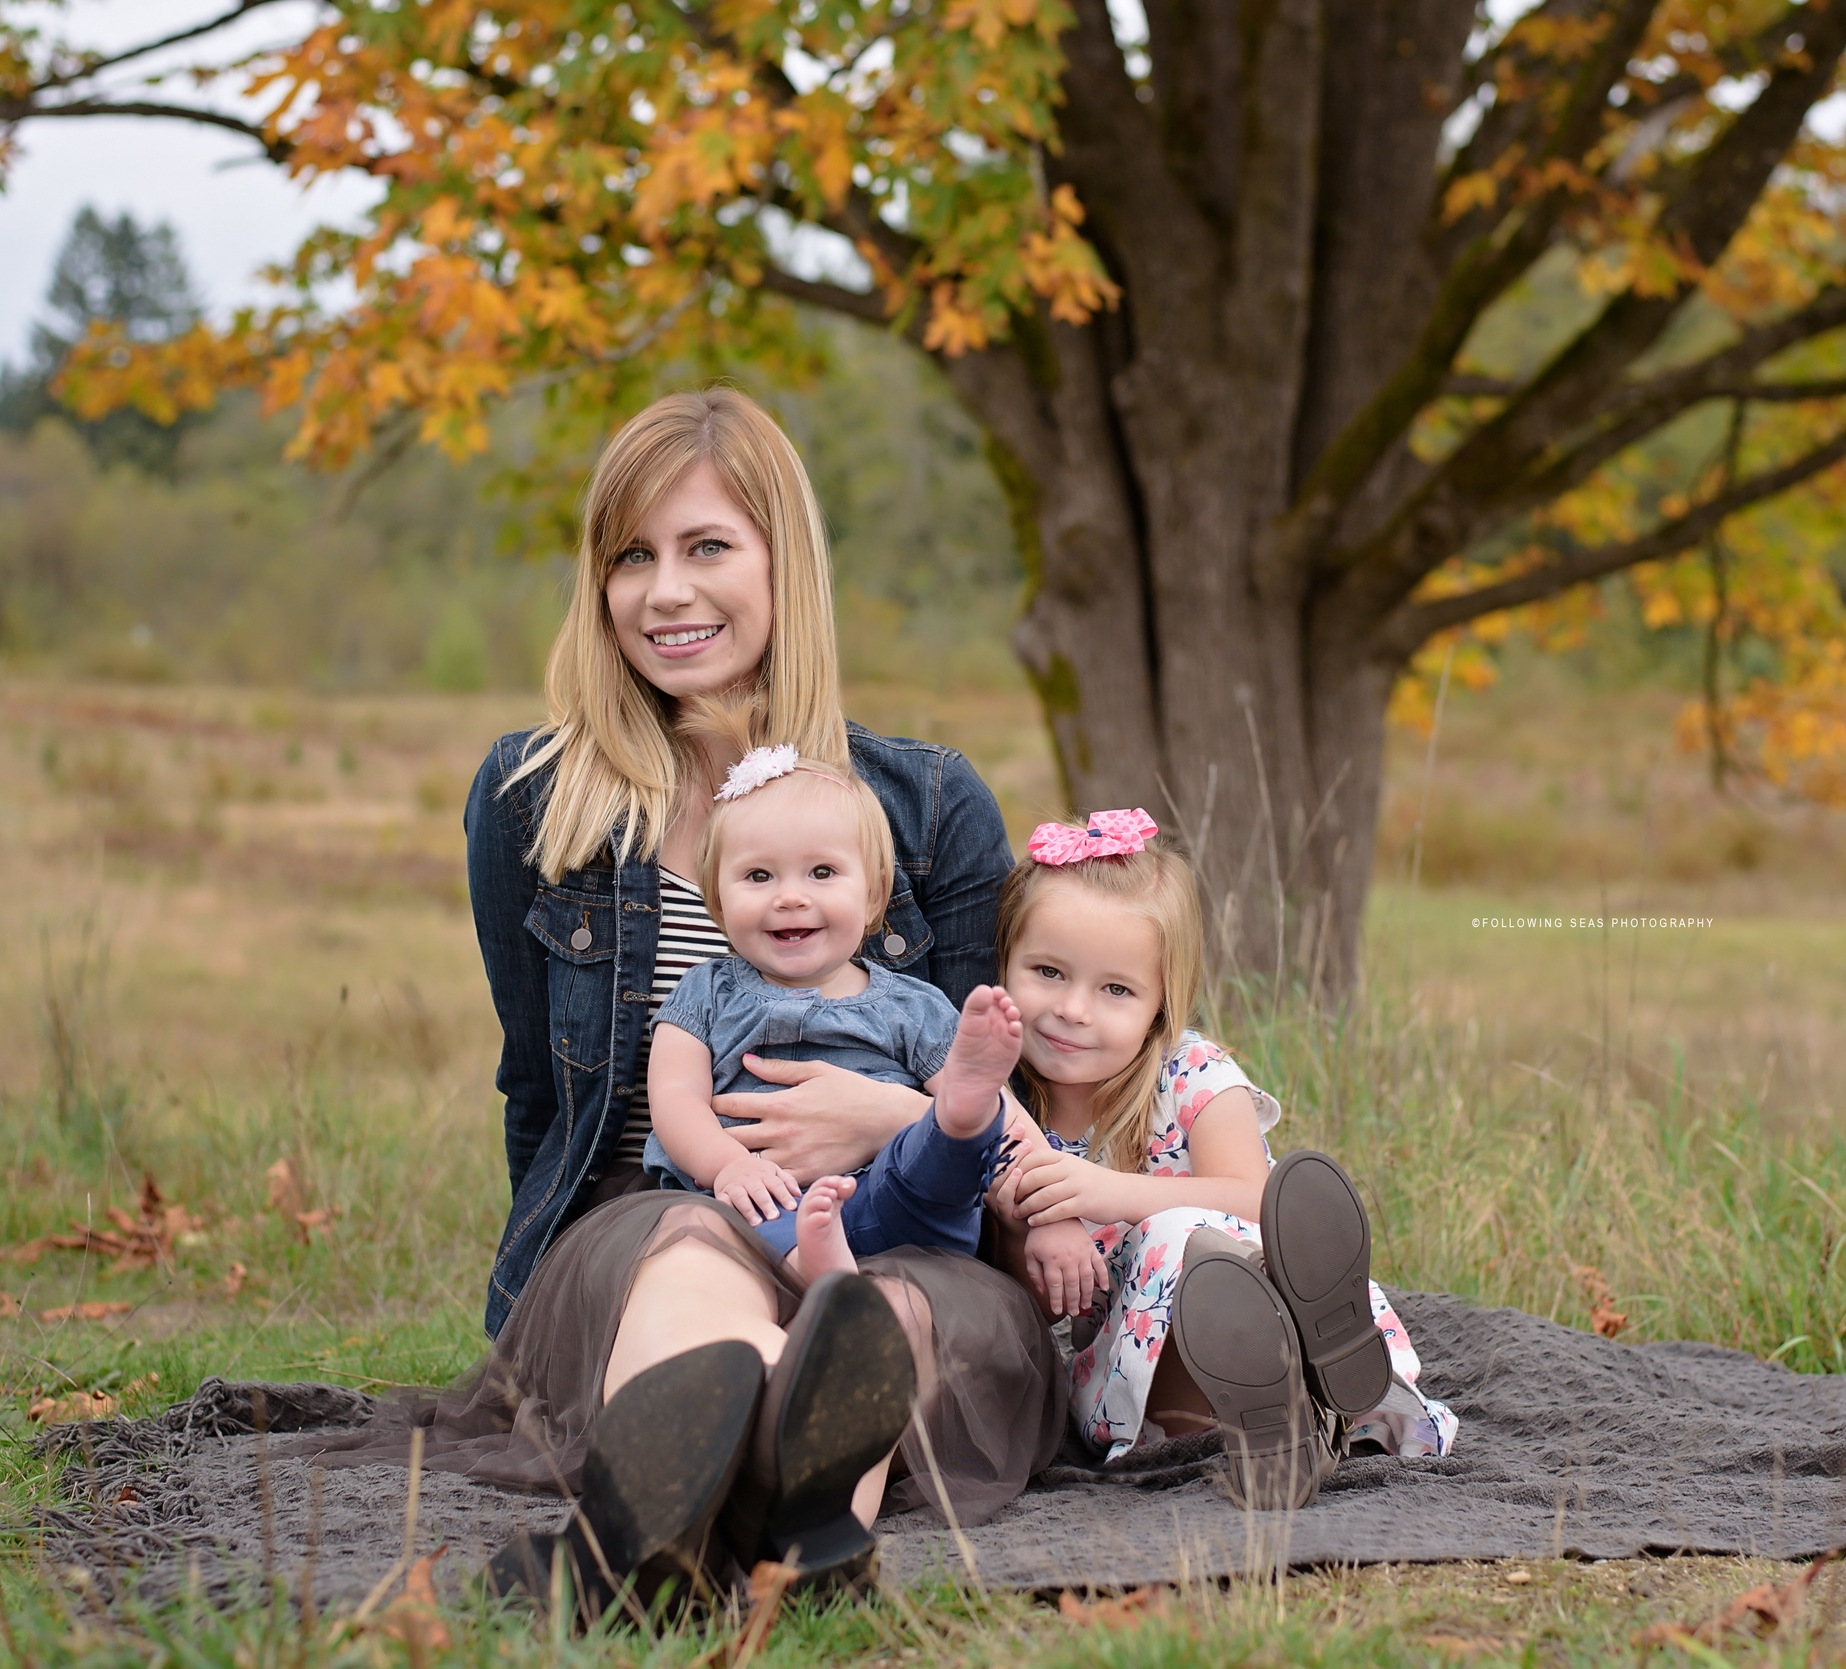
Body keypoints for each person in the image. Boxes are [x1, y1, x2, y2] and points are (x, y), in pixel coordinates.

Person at [301, 388, 1064, 1609]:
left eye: (707, 547)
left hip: (908, 1218)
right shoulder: (536, 796)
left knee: (884, 1317)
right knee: (690, 1271)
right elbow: (538, 1093)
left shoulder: (926, 806)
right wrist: (544, 1301)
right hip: (656, 1206)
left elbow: (995, 1084)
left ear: (783, 562)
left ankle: (678, 1538)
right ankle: (772, 1520)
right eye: (631, 557)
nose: (666, 592)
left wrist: (884, 1130)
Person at [984, 810, 1459, 1507]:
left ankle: (1313, 1341)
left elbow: (1254, 1195)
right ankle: (1276, 1430)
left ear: (1161, 1004)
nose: (1073, 1009)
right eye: (1048, 972)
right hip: (1130, 1381)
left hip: (1262, 1321)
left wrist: (1101, 1190)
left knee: (1193, 1233)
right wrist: (1025, 1224)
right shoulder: (1000, 1106)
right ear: (1004, 966)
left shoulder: (1192, 1073)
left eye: (1115, 989)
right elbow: (1022, 1308)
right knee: (1176, 1242)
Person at [638, 720, 1077, 1281]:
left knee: (936, 1159)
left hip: (891, 1189)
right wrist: (726, 1165)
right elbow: (675, 1098)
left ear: (872, 896)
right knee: (727, 1217)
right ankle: (816, 1265)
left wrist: (1053, 1220)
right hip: (763, 1195)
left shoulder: (913, 1008)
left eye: (822, 872)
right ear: (718, 903)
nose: (791, 897)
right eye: (758, 876)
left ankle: (960, 1116)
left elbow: (1018, 1128)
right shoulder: (705, 994)